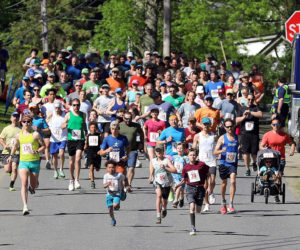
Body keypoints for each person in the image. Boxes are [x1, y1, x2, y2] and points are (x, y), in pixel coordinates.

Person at [7, 115, 45, 215]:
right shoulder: (19, 135)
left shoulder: (35, 134)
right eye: (25, 121)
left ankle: (32, 188)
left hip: (34, 163)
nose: (26, 123)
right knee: (24, 183)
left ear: (31, 123)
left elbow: (44, 146)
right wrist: (11, 156)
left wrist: (36, 151)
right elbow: (15, 146)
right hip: (23, 162)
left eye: (29, 121)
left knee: (32, 185)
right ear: (21, 123)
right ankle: (25, 207)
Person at [175, 148, 210, 236]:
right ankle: (193, 227)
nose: (192, 157)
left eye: (194, 155)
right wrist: (178, 185)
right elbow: (184, 179)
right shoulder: (186, 167)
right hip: (190, 188)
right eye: (191, 155)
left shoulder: (202, 165)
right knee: (192, 207)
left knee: (198, 210)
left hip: (200, 189)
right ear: (188, 156)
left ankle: (194, 220)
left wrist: (209, 186)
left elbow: (208, 174)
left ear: (196, 156)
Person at [260, 117, 295, 202]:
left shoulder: (284, 135)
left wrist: (292, 150)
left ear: (280, 125)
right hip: (270, 158)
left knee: (278, 176)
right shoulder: (267, 135)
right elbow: (261, 146)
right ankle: (266, 187)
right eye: (274, 124)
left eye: (277, 124)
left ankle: (276, 193)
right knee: (268, 174)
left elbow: (292, 143)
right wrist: (263, 149)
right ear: (271, 125)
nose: (276, 126)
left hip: (280, 159)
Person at [214, 118, 239, 214]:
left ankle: (231, 203)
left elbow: (238, 147)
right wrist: (221, 151)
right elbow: (215, 151)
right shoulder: (222, 138)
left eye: (231, 126)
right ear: (224, 127)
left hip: (233, 163)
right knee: (224, 183)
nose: (229, 128)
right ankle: (223, 201)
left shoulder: (237, 137)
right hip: (224, 163)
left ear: (233, 126)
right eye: (227, 127)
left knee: (233, 181)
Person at [192, 117, 217, 212]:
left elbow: (218, 145)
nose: (206, 126)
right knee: (205, 185)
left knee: (213, 180)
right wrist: (194, 156)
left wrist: (219, 153)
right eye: (204, 124)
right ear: (202, 125)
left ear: (210, 125)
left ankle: (211, 192)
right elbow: (194, 147)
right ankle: (206, 204)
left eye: (207, 124)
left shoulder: (214, 136)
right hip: (202, 161)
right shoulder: (198, 136)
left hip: (212, 160)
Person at [61, 98, 87, 191]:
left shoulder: (83, 115)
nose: (76, 107)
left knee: (78, 158)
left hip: (80, 139)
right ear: (72, 106)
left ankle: (77, 179)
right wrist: (64, 125)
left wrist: (87, 133)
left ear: (80, 105)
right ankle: (71, 179)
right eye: (74, 105)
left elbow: (84, 125)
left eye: (78, 105)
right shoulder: (68, 115)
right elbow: (62, 125)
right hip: (71, 139)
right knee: (71, 161)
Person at [148, 143, 176, 224]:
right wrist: (150, 176)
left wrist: (165, 167)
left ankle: (164, 208)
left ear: (163, 151)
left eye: (160, 150)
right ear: (155, 152)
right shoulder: (153, 161)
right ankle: (158, 215)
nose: (158, 152)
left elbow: (174, 170)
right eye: (157, 151)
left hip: (166, 182)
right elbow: (152, 169)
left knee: (164, 200)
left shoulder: (166, 160)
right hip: (157, 181)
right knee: (159, 195)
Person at [236, 93, 263, 176]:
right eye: (249, 99)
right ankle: (247, 168)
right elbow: (236, 120)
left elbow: (260, 115)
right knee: (246, 152)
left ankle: (254, 162)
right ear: (246, 99)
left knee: (254, 152)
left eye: (252, 99)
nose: (250, 101)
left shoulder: (256, 108)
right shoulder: (242, 109)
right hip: (244, 134)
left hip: (254, 134)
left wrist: (250, 112)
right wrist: (244, 116)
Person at [119, 112, 144, 186]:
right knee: (122, 169)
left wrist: (141, 143)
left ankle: (128, 185)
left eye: (130, 118)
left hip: (133, 149)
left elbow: (142, 134)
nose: (128, 120)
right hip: (122, 150)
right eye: (126, 118)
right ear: (123, 118)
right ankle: (124, 181)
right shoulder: (119, 125)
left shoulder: (136, 125)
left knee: (131, 167)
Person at [103, 160, 131, 226]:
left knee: (115, 205)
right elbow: (104, 186)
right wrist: (108, 184)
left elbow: (125, 179)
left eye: (112, 167)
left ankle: (117, 204)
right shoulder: (106, 176)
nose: (111, 169)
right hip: (109, 194)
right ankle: (113, 219)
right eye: (109, 167)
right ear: (106, 168)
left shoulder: (119, 175)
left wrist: (127, 186)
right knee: (110, 209)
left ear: (115, 167)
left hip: (117, 193)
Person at [0, 112, 21, 191]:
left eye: (17, 117)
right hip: (7, 151)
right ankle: (10, 170)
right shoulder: (6, 128)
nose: (15, 118)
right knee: (7, 169)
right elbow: (1, 138)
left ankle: (11, 184)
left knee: (15, 167)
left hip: (16, 152)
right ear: (11, 118)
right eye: (14, 116)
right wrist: (4, 145)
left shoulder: (20, 130)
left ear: (19, 119)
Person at [46, 101, 67, 179]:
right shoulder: (52, 114)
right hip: (54, 138)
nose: (57, 109)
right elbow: (46, 122)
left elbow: (69, 121)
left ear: (61, 107)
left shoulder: (65, 114)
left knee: (61, 153)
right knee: (54, 156)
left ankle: (61, 169)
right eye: (56, 108)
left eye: (58, 107)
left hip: (63, 137)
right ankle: (55, 171)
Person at [29, 103, 51, 169]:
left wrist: (40, 130)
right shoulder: (26, 120)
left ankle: (35, 178)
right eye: (31, 109)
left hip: (38, 145)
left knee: (36, 166)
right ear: (29, 110)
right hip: (28, 144)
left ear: (37, 110)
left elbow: (48, 130)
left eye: (34, 109)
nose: (32, 111)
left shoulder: (41, 119)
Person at [84, 121, 102, 189]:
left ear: (96, 128)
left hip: (97, 153)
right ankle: (92, 182)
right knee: (91, 167)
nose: (93, 129)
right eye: (92, 127)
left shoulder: (99, 135)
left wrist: (102, 150)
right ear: (89, 128)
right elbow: (85, 145)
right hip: (90, 153)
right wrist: (83, 151)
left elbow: (101, 144)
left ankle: (97, 166)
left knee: (97, 169)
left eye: (94, 127)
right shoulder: (88, 136)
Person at [171, 143, 188, 208]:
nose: (179, 149)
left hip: (182, 176)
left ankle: (181, 199)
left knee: (181, 189)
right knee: (179, 187)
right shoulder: (174, 157)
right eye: (178, 148)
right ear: (176, 149)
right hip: (175, 175)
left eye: (181, 148)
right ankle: (176, 200)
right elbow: (171, 165)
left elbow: (188, 166)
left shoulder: (185, 158)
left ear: (184, 149)